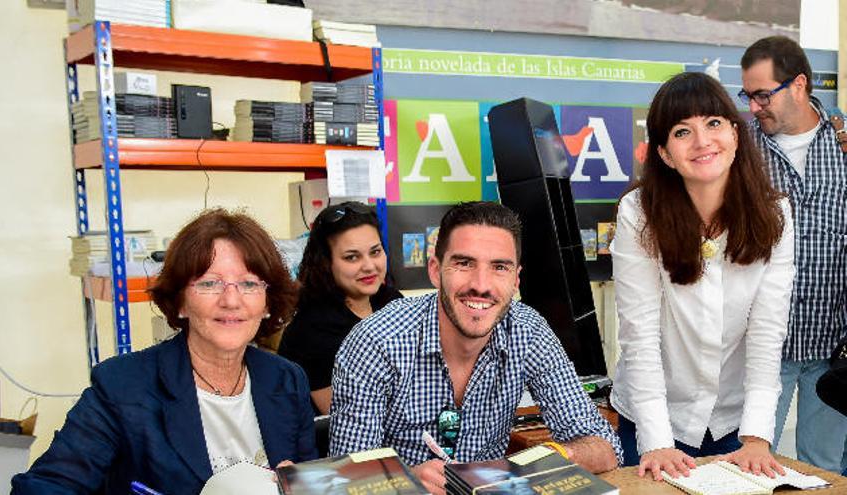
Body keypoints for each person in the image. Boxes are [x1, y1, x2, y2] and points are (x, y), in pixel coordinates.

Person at [11, 209, 317, 494]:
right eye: (210, 283)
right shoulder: (124, 386)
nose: (231, 300)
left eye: (249, 284)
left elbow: (310, 482)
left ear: (268, 303)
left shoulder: (286, 380)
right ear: (180, 301)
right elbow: (43, 487)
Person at [329, 201, 621, 495]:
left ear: (516, 279)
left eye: (499, 267)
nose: (481, 285)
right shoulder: (375, 341)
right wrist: (407, 482)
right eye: (464, 263)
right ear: (435, 270)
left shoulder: (528, 331)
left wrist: (553, 458)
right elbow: (345, 480)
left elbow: (606, 447)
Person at [609, 72, 795, 482]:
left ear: (735, 133)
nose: (702, 141)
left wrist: (758, 437)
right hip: (655, 416)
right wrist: (657, 440)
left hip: (733, 424)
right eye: (682, 131)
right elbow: (640, 336)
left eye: (713, 123)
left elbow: (767, 332)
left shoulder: (775, 215)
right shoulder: (639, 213)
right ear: (664, 154)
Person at [740, 36, 847, 473]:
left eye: (763, 94)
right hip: (763, 351)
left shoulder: (844, 142)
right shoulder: (737, 148)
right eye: (747, 96)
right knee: (753, 469)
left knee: (823, 470)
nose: (753, 107)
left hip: (836, 347)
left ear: (799, 84)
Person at [278, 202, 402, 415]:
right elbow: (349, 417)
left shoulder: (392, 302)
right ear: (326, 263)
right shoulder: (311, 330)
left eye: (375, 252)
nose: (369, 266)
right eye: (352, 257)